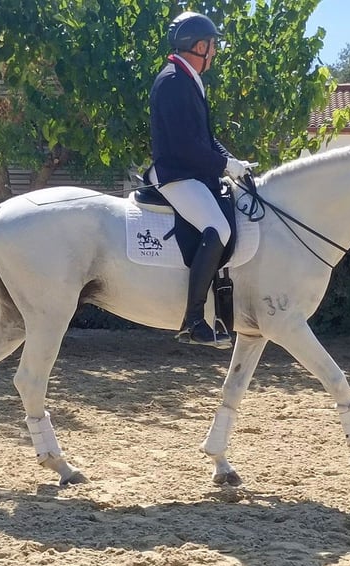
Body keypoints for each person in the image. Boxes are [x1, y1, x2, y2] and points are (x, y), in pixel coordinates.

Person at [148, 11, 248, 348]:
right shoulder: (174, 81)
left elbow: (204, 136)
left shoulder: (188, 78)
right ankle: (193, 320)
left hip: (192, 173)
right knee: (218, 229)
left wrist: (231, 161)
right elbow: (186, 146)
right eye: (213, 46)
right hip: (176, 176)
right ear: (200, 46)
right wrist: (223, 165)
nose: (215, 52)